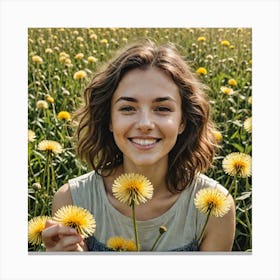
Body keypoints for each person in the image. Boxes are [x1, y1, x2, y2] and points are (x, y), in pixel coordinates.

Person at [42, 40, 235, 252]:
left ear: (183, 121)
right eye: (127, 108)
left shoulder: (215, 208)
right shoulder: (72, 200)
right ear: (109, 120)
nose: (144, 124)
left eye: (162, 108)